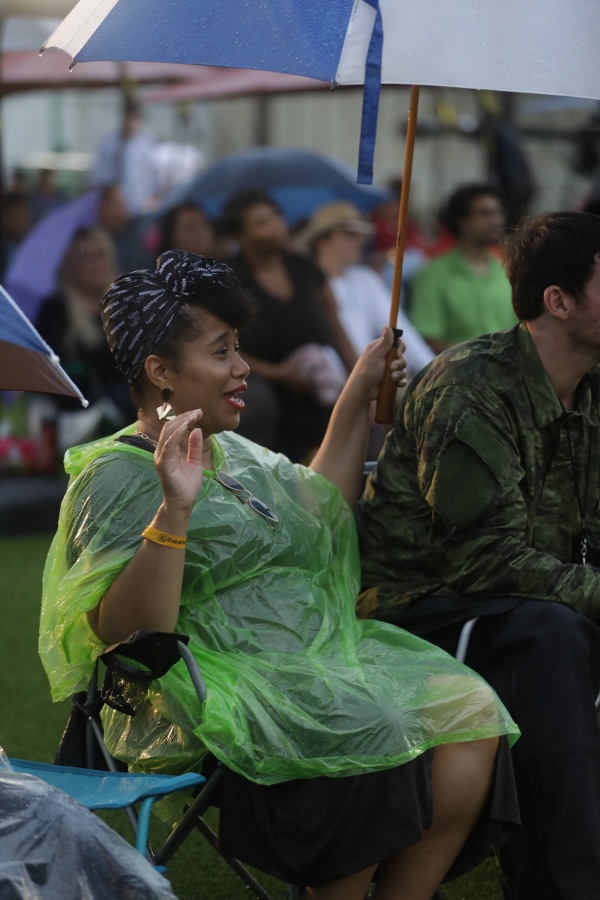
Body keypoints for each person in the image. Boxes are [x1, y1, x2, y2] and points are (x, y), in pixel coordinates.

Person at [39, 250, 520, 900]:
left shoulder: (234, 452)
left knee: (473, 715)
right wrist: (174, 509)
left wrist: (358, 389)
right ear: (161, 372)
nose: (242, 367)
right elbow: (128, 635)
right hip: (201, 692)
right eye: (221, 352)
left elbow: (319, 508)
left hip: (307, 661)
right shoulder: (115, 475)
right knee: (370, 724)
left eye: (238, 347)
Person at [356, 211, 600, 899]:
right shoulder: (471, 384)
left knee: (556, 627)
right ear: (558, 301)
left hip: (526, 603)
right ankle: (565, 883)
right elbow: (483, 562)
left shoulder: (591, 383)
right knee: (552, 635)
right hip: (418, 606)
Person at [222, 189, 359, 461]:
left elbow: (337, 330)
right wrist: (278, 374)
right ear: (241, 236)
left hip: (317, 385)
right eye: (262, 223)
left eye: (276, 217)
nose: (277, 226)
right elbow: (222, 346)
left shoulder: (305, 269)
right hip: (261, 390)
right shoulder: (229, 279)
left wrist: (360, 380)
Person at [298, 200, 435, 379]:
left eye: (359, 235)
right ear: (321, 240)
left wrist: (434, 373)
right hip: (323, 381)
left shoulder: (364, 279)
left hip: (365, 381)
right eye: (349, 235)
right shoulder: (302, 282)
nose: (358, 241)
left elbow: (400, 330)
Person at [35, 226, 134, 431]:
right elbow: (50, 368)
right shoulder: (55, 309)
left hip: (126, 407)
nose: (95, 263)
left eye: (100, 255)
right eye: (85, 257)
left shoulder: (124, 303)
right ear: (70, 265)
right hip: (79, 414)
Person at [409, 183, 516, 353]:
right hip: (456, 368)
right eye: (485, 214)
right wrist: (480, 358)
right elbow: (428, 339)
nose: (496, 221)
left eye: (498, 213)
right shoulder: (434, 274)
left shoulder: (507, 270)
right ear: (462, 222)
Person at [90, 97, 158, 216]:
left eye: (134, 117)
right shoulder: (108, 142)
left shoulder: (146, 145)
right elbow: (99, 177)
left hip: (139, 208)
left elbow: (152, 177)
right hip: (113, 211)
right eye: (128, 116)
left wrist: (152, 198)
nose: (130, 121)